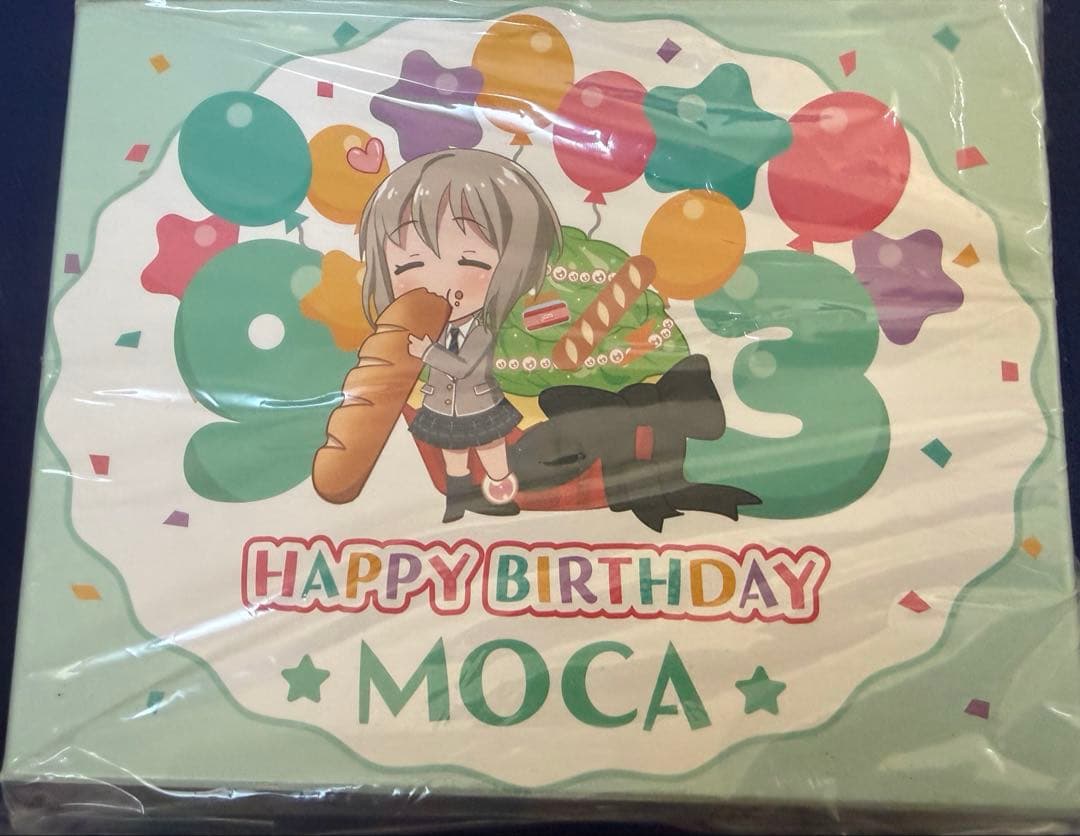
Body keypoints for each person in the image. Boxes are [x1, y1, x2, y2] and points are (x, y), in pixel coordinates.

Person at [359, 149, 561, 522]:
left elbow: (465, 365)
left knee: (491, 449)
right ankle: (458, 498)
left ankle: (499, 493)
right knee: (453, 454)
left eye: (470, 261)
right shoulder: (423, 327)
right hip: (440, 405)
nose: (441, 283)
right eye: (410, 265)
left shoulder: (483, 328)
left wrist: (428, 352)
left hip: (479, 404)